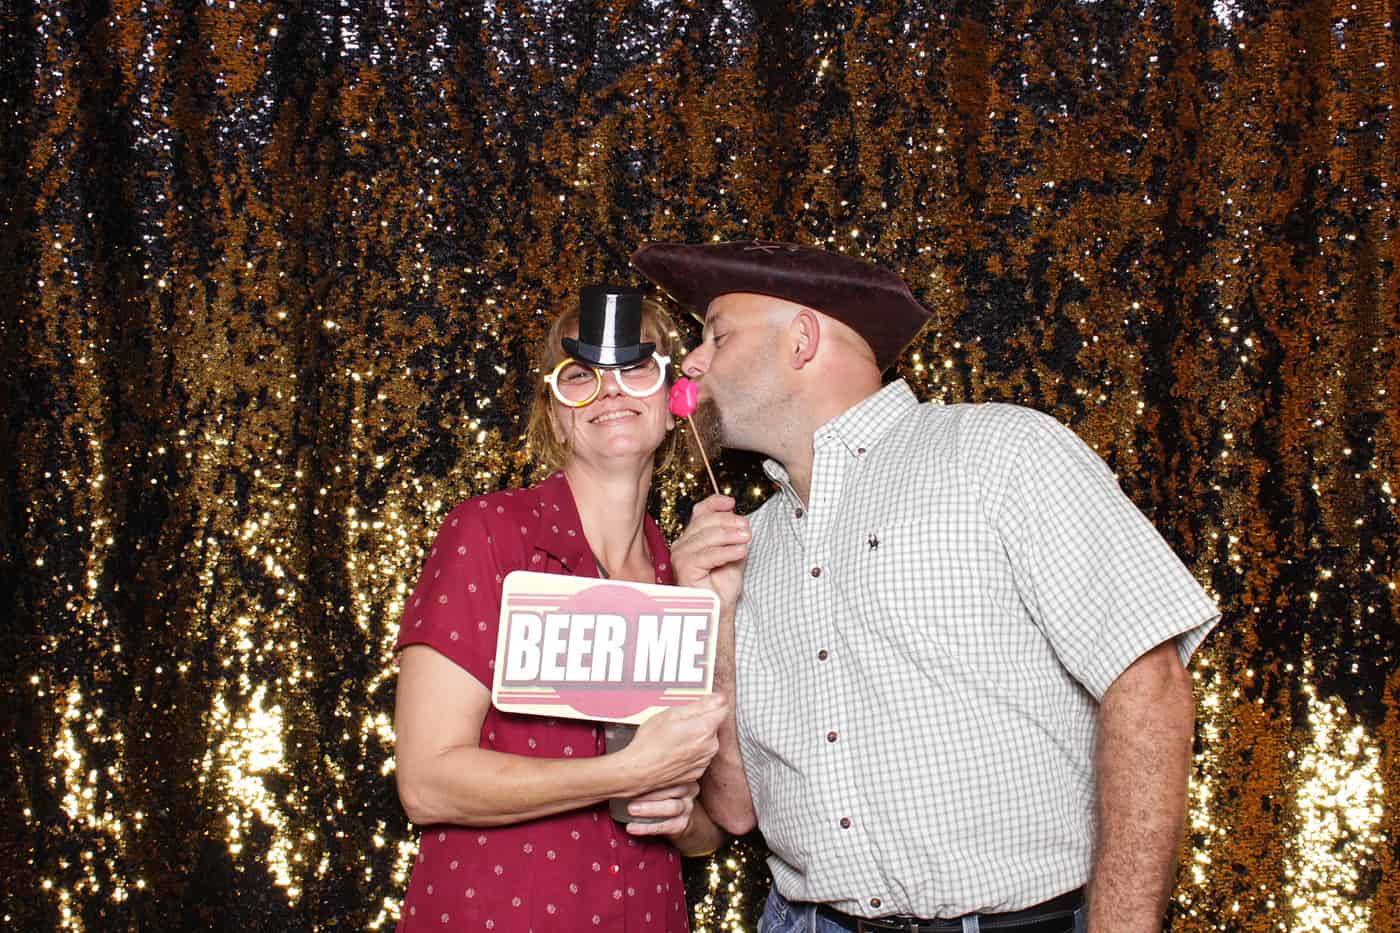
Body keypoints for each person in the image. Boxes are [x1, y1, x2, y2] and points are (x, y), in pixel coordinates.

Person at [632, 241, 1220, 933]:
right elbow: (734, 808)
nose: (692, 364)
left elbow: (1148, 684)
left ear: (802, 339)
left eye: (717, 337)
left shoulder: (1000, 453)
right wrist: (716, 616)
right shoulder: (748, 541)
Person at [392, 286, 728, 932]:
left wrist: (683, 813)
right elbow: (426, 780)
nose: (610, 390)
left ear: (673, 399)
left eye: (636, 367)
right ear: (554, 413)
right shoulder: (489, 536)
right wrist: (622, 772)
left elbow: (710, 828)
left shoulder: (677, 572)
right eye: (581, 375)